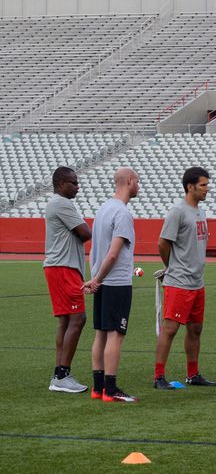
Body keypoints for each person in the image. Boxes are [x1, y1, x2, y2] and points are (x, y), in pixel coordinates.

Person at [154, 166, 215, 389]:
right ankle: (159, 376)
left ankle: (193, 374)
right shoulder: (177, 211)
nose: (207, 189)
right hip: (179, 282)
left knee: (195, 329)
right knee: (170, 328)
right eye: (203, 185)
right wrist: (171, 267)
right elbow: (163, 243)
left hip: (197, 282)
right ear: (190, 187)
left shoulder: (199, 211)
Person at [82, 167, 139, 403]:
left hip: (103, 281)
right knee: (116, 334)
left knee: (101, 334)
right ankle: (111, 389)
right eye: (137, 181)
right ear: (128, 181)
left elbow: (96, 249)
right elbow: (113, 253)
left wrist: (95, 277)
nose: (138, 185)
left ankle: (98, 387)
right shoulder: (122, 213)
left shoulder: (103, 209)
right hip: (115, 282)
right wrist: (99, 278)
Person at [44, 166, 92, 393]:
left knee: (65, 321)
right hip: (64, 267)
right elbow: (85, 232)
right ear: (61, 184)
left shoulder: (57, 204)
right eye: (73, 182)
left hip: (59, 267)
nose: (77, 186)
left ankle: (59, 374)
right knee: (78, 319)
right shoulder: (62, 203)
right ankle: (62, 375)